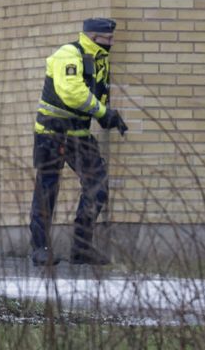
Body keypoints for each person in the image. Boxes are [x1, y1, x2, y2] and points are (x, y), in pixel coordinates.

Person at [29, 18, 128, 267]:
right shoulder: (68, 54)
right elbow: (71, 92)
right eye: (108, 39)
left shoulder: (99, 61)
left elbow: (95, 94)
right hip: (52, 133)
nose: (112, 43)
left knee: (98, 185)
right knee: (47, 190)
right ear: (94, 37)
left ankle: (81, 248)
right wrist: (103, 113)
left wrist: (108, 116)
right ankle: (40, 249)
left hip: (80, 135)